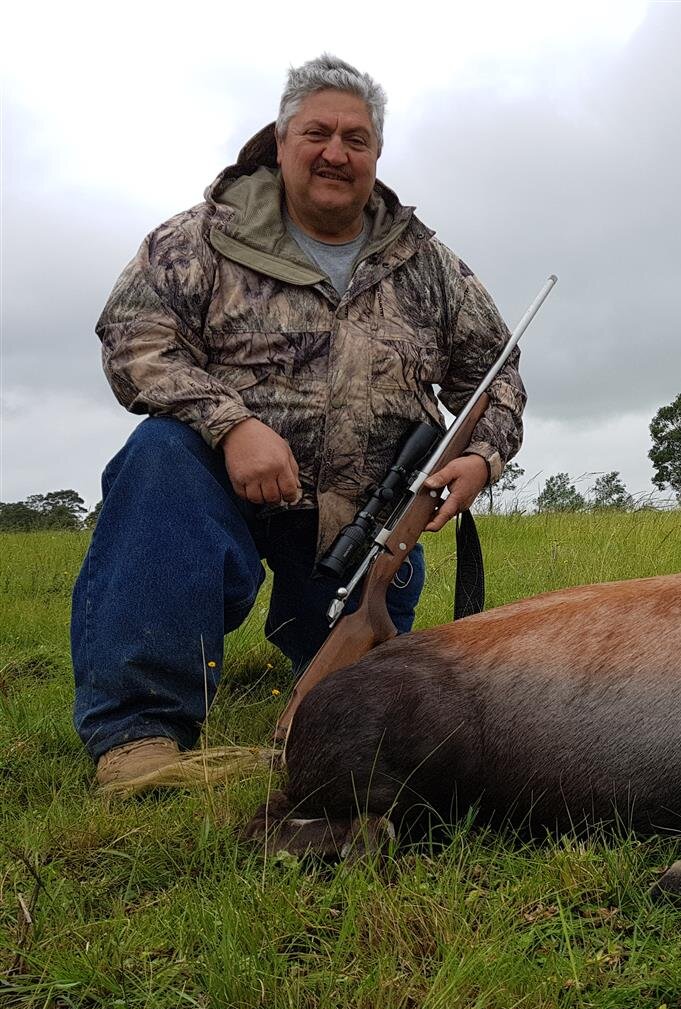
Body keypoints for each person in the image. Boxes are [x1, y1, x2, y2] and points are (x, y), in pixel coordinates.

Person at [73, 54, 526, 792]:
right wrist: (232, 425)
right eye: (318, 133)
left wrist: (482, 458)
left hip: (366, 529)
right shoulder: (196, 241)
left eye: (357, 139)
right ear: (281, 142)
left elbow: (495, 374)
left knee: (360, 712)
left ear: (377, 156)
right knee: (158, 454)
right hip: (223, 491)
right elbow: (135, 343)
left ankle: (316, 681)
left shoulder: (429, 264)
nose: (336, 153)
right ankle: (139, 736)